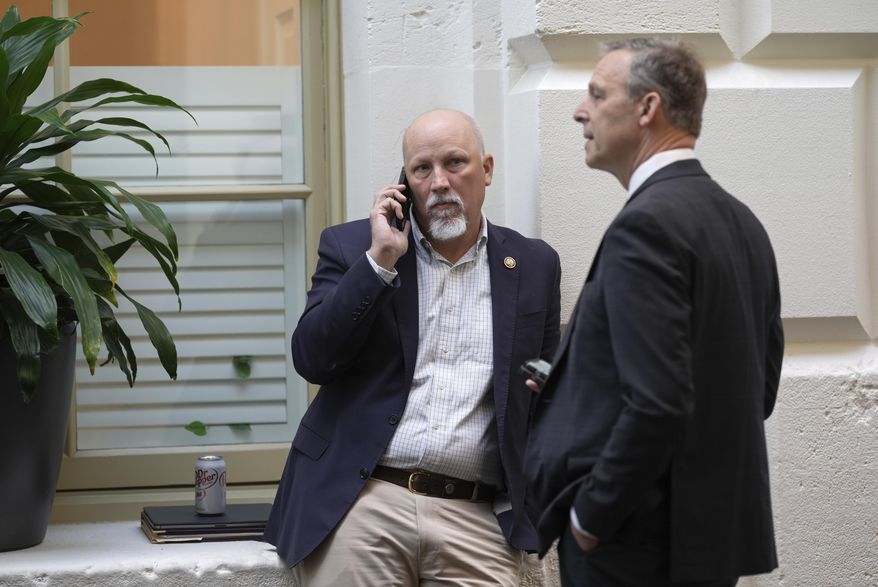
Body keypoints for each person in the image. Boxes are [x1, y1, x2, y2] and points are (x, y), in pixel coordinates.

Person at [524, 38, 784, 586]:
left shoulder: (647, 226)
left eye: (596, 95)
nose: (579, 111)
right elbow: (755, 392)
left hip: (634, 549)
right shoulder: (744, 223)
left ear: (648, 109)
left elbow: (660, 403)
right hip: (702, 544)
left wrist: (590, 518)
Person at [264, 108, 562, 586]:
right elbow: (313, 359)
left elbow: (544, 393)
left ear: (485, 170)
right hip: (365, 500)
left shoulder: (533, 265)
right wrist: (379, 262)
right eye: (422, 169)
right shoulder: (353, 248)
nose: (439, 182)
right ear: (405, 182)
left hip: (476, 514)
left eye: (455, 163)